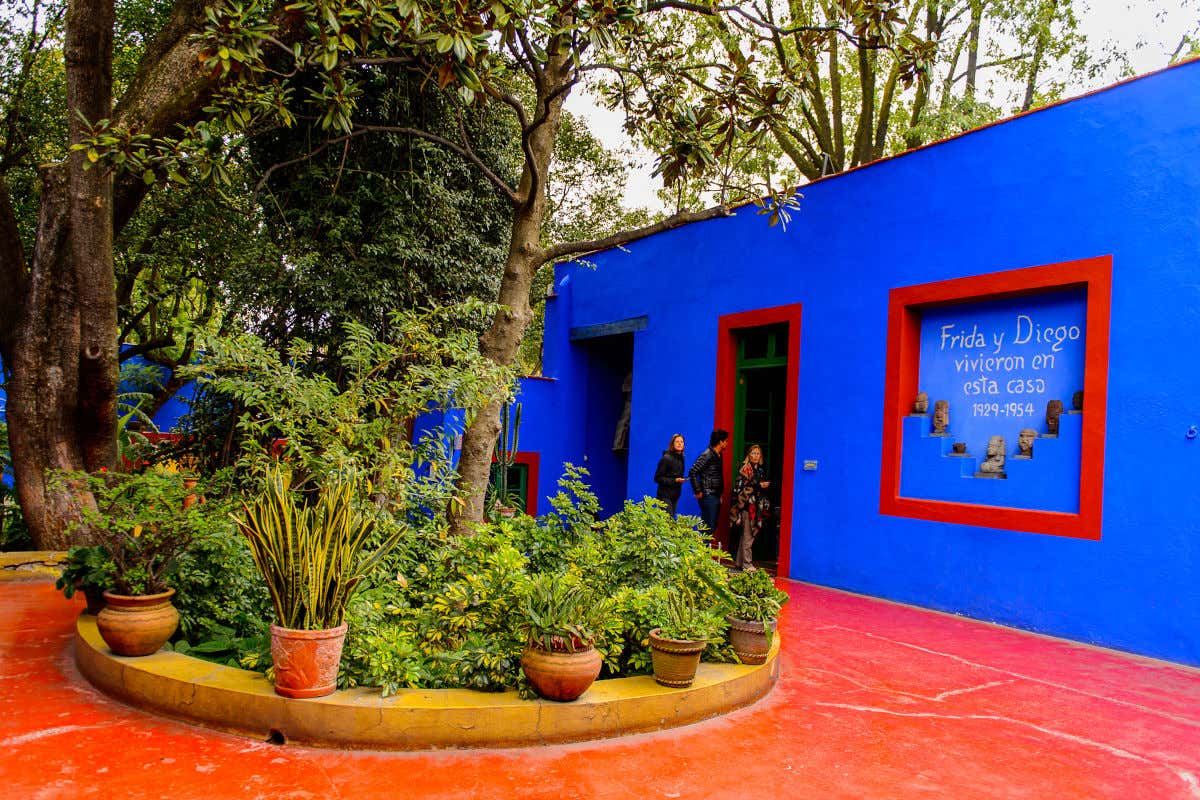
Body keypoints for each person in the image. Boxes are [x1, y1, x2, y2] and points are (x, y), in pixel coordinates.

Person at [730, 444, 771, 571]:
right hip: (748, 507)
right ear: (749, 455)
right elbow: (740, 490)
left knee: (746, 536)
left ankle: (739, 562)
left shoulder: (760, 470)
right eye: (753, 453)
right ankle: (747, 563)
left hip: (757, 506)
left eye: (758, 453)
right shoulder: (745, 469)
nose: (755, 456)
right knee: (748, 535)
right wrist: (759, 486)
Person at [689, 429, 729, 540]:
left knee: (712, 527)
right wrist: (697, 491)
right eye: (726, 441)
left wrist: (720, 494)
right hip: (708, 495)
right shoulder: (707, 455)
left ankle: (704, 553)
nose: (727, 443)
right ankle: (702, 555)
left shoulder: (719, 455)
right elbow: (692, 472)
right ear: (720, 442)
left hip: (715, 496)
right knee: (707, 528)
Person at [653, 434, 688, 517]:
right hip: (664, 496)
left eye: (681, 442)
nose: (680, 443)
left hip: (675, 496)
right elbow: (657, 478)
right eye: (677, 442)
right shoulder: (666, 459)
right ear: (672, 444)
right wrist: (674, 480)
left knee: (670, 522)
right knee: (667, 522)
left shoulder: (681, 458)